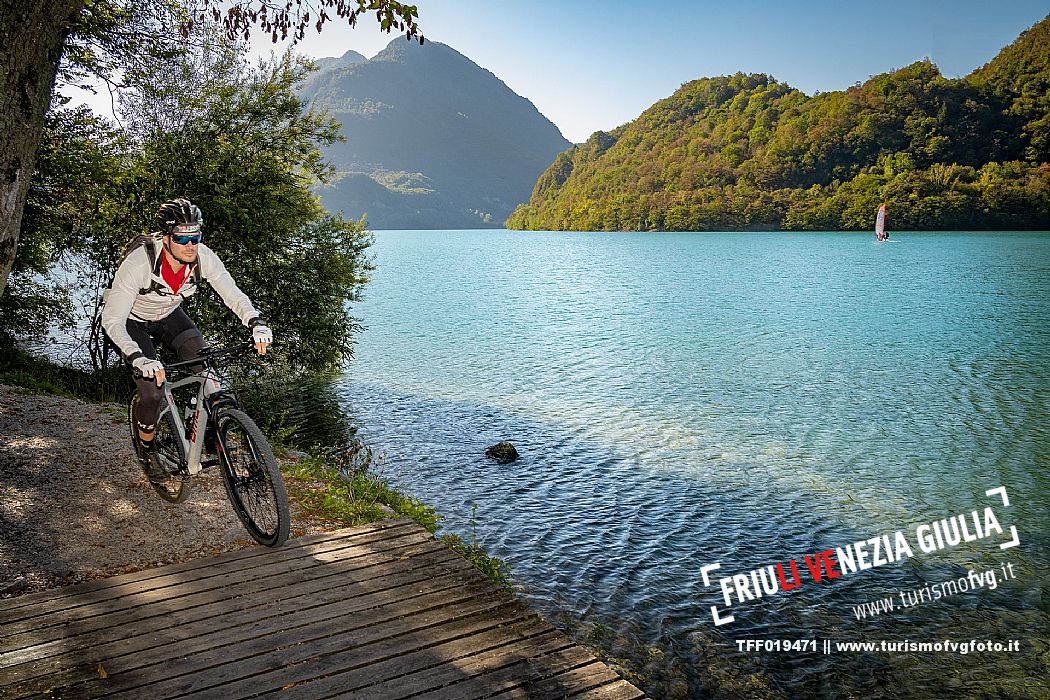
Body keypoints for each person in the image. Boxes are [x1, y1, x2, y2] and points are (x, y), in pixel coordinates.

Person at [101, 198, 273, 481]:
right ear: (166, 238)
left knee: (211, 376)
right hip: (131, 321)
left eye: (196, 236)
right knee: (153, 391)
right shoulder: (139, 263)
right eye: (182, 237)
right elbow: (112, 320)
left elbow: (233, 294)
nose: (190, 244)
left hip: (169, 314)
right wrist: (137, 356)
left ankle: (212, 431)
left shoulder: (202, 257)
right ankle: (147, 448)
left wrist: (256, 322)